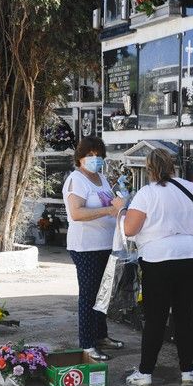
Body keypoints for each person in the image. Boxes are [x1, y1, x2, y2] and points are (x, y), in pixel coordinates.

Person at [123, 148, 193, 386]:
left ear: (149, 169)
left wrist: (121, 210)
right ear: (173, 166)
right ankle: (187, 371)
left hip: (159, 258)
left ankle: (145, 373)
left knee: (155, 317)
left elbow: (130, 229)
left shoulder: (147, 193)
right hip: (192, 254)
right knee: (184, 313)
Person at [63, 136, 126, 361]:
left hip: (105, 244)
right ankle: (87, 344)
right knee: (89, 295)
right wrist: (109, 211)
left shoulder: (101, 178)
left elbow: (110, 203)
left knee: (103, 293)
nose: (94, 159)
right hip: (86, 246)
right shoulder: (76, 180)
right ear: (79, 158)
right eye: (89, 155)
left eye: (98, 155)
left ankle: (101, 335)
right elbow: (77, 213)